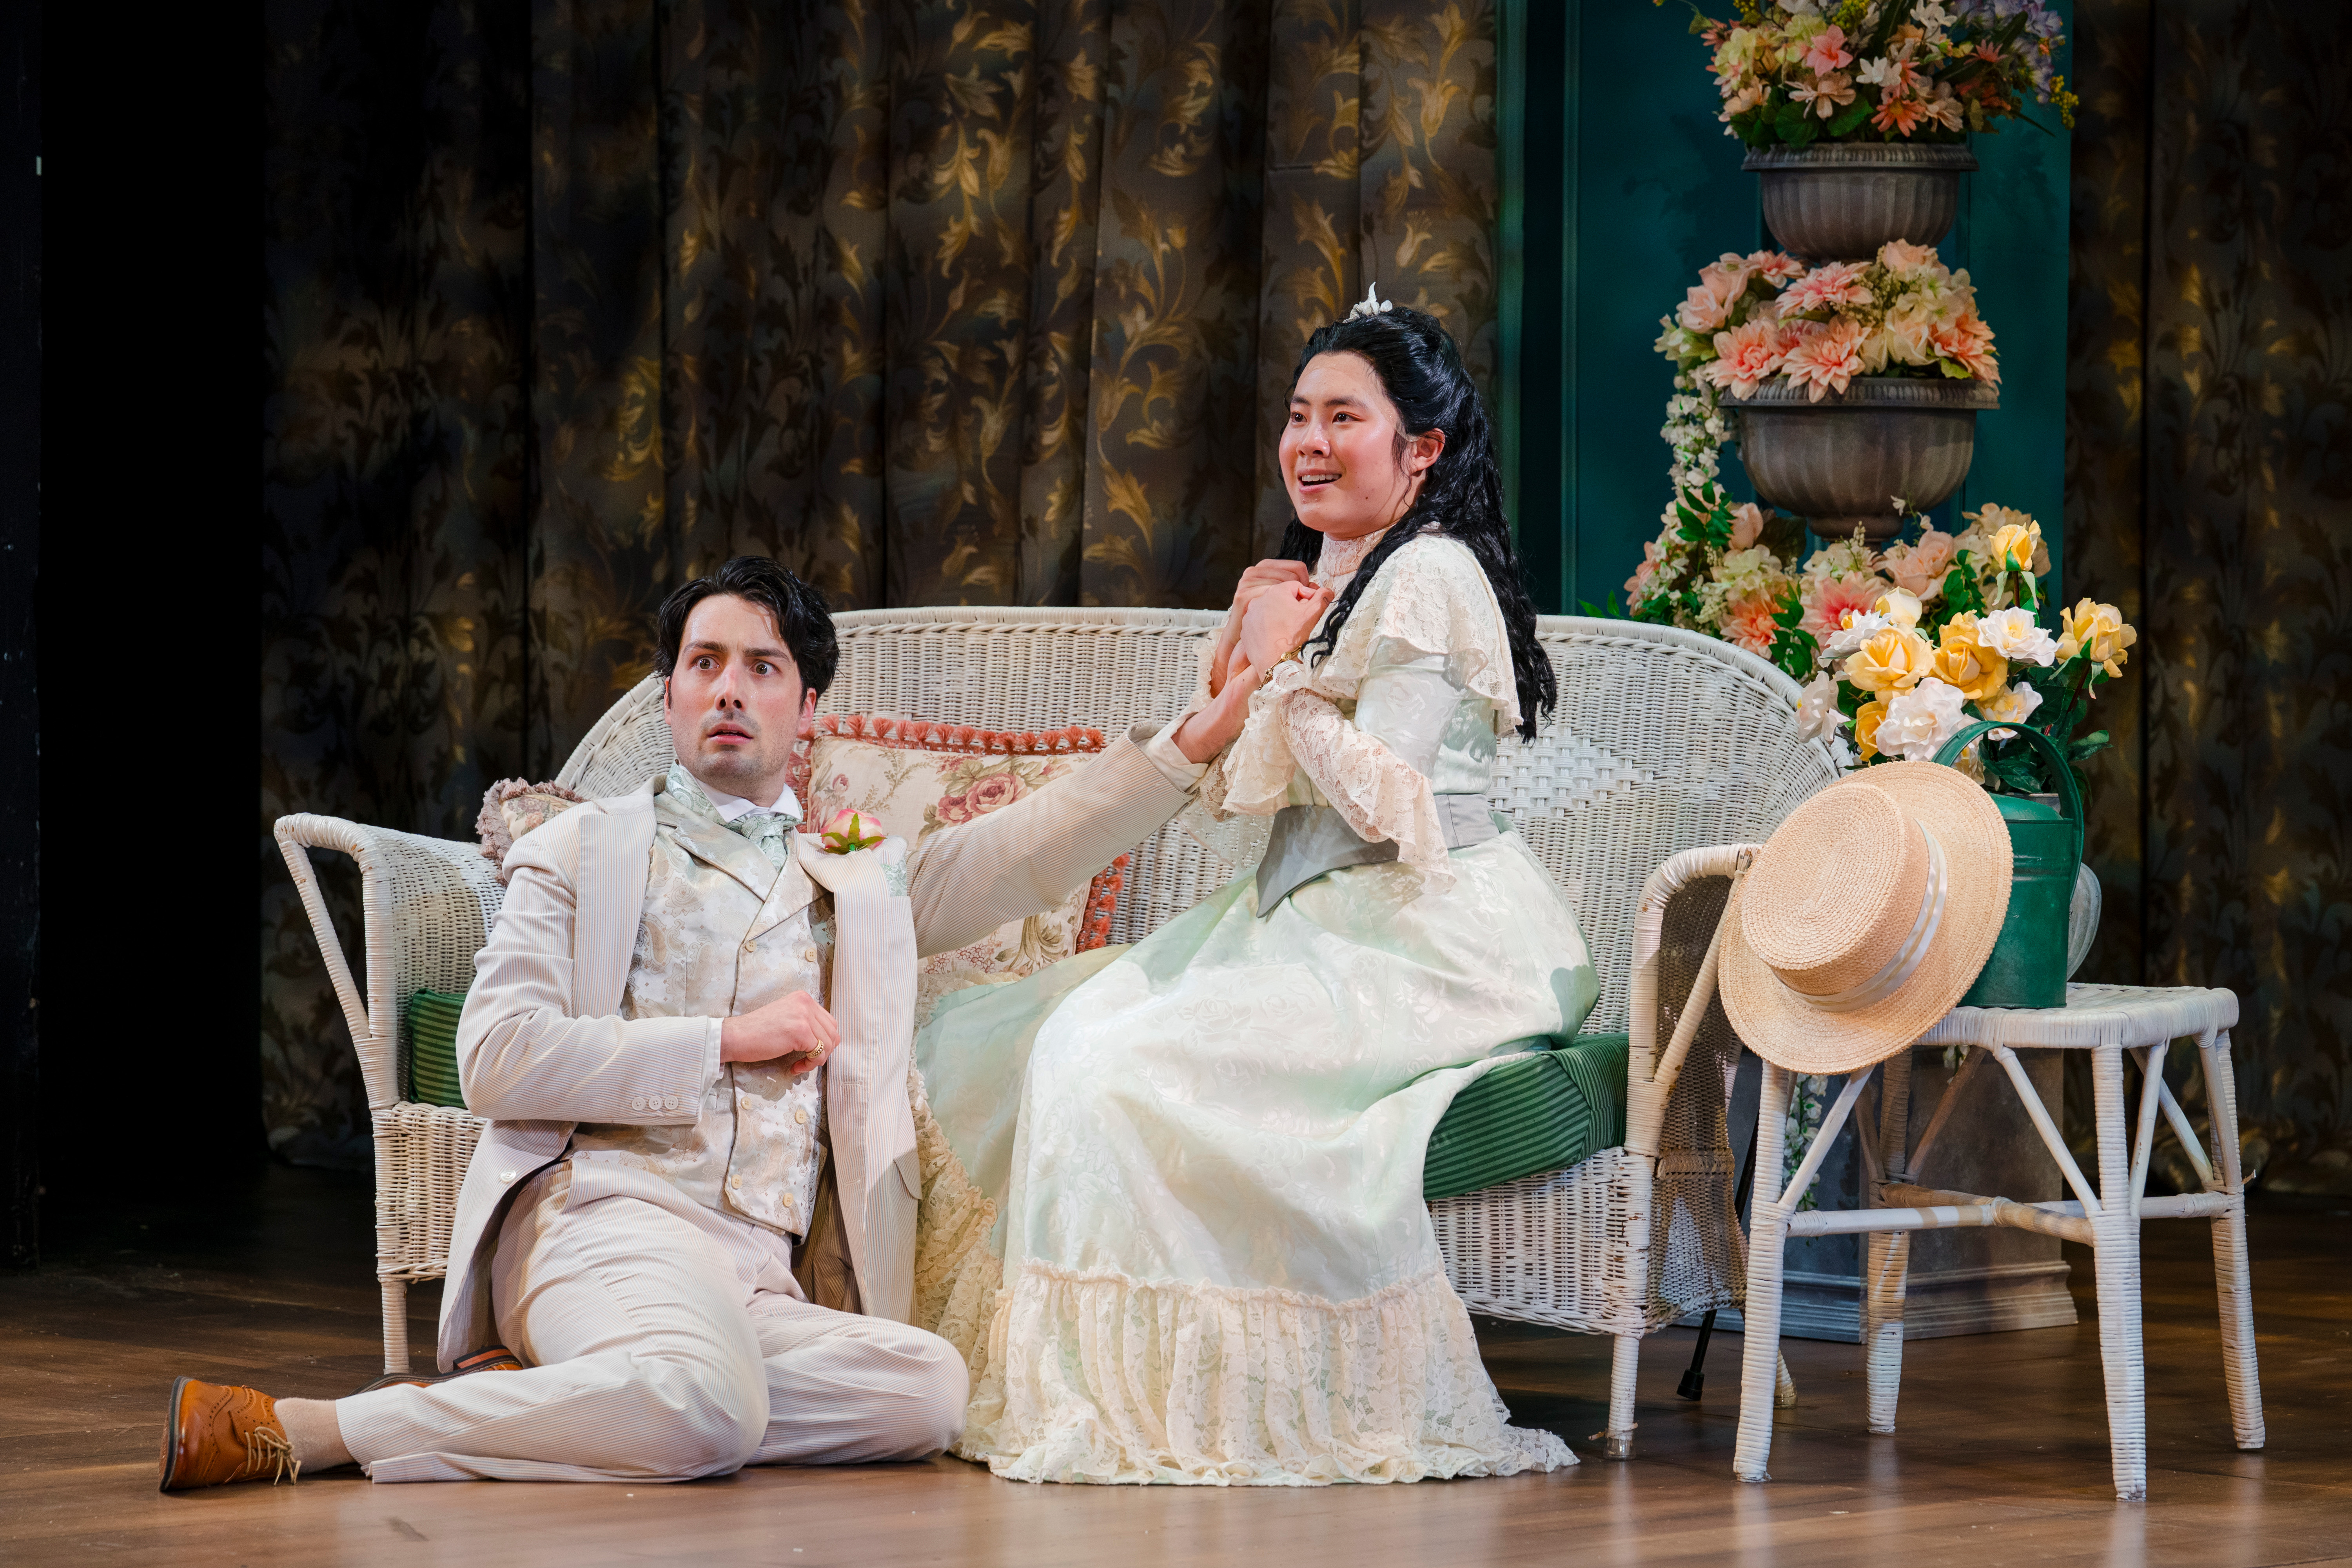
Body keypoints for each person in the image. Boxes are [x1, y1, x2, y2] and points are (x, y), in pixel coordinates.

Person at [159, 554, 1290, 1490]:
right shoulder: (587, 849)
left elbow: (1014, 855)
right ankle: (326, 1430)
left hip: (758, 1275)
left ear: (809, 714)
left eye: (763, 668)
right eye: (704, 665)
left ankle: (554, 1403)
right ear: (670, 701)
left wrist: (1188, 745)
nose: (731, 689)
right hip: (602, 1220)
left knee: (928, 1388)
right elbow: (494, 1058)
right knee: (707, 1411)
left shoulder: (851, 870)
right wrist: (723, 1043)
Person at [912, 290, 1598, 1485]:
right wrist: (1245, 662)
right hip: (1301, 918)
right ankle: (1061, 1379)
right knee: (1015, 1036)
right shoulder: (1328, 570)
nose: (1311, 443)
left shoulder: (1430, 572)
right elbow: (1235, 771)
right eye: (1298, 416)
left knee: (1107, 1061)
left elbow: (1391, 801)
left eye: (1347, 417)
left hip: (1420, 932)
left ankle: (1224, 1395)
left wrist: (1282, 677)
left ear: (1420, 450)